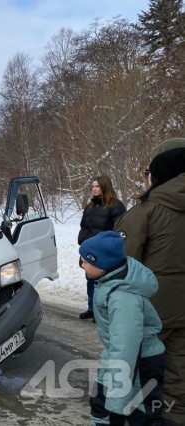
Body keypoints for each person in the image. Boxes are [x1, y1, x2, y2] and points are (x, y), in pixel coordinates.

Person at [114, 137, 185, 425]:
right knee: (179, 371)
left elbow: (122, 268)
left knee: (135, 372)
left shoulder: (145, 212)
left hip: (151, 311)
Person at [79, 231, 165, 425]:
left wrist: (117, 402)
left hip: (139, 361)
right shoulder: (109, 282)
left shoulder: (122, 298)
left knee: (141, 414)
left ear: (101, 264)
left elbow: (126, 347)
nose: (82, 264)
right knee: (100, 403)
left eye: (84, 261)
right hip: (119, 356)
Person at [77, 176, 126, 320]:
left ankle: (103, 312)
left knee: (104, 282)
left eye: (97, 186)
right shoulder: (91, 206)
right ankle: (92, 308)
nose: (94, 189)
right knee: (90, 280)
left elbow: (120, 230)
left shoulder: (116, 206)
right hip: (89, 251)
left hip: (105, 252)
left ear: (105, 187)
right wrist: (83, 241)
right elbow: (84, 226)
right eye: (92, 187)